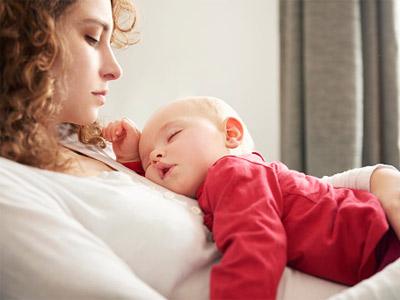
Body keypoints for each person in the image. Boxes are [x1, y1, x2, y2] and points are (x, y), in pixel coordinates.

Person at [1, 1, 400, 300]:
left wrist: (381, 180)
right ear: (25, 42)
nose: (115, 69)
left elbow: (296, 194)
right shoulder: (11, 192)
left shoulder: (86, 144)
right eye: (91, 37)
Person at [103, 96, 400, 300]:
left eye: (173, 135)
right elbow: (156, 196)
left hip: (378, 242)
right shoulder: (213, 188)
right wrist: (130, 158)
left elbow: (256, 242)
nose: (155, 155)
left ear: (230, 134)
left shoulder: (231, 172)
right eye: (148, 158)